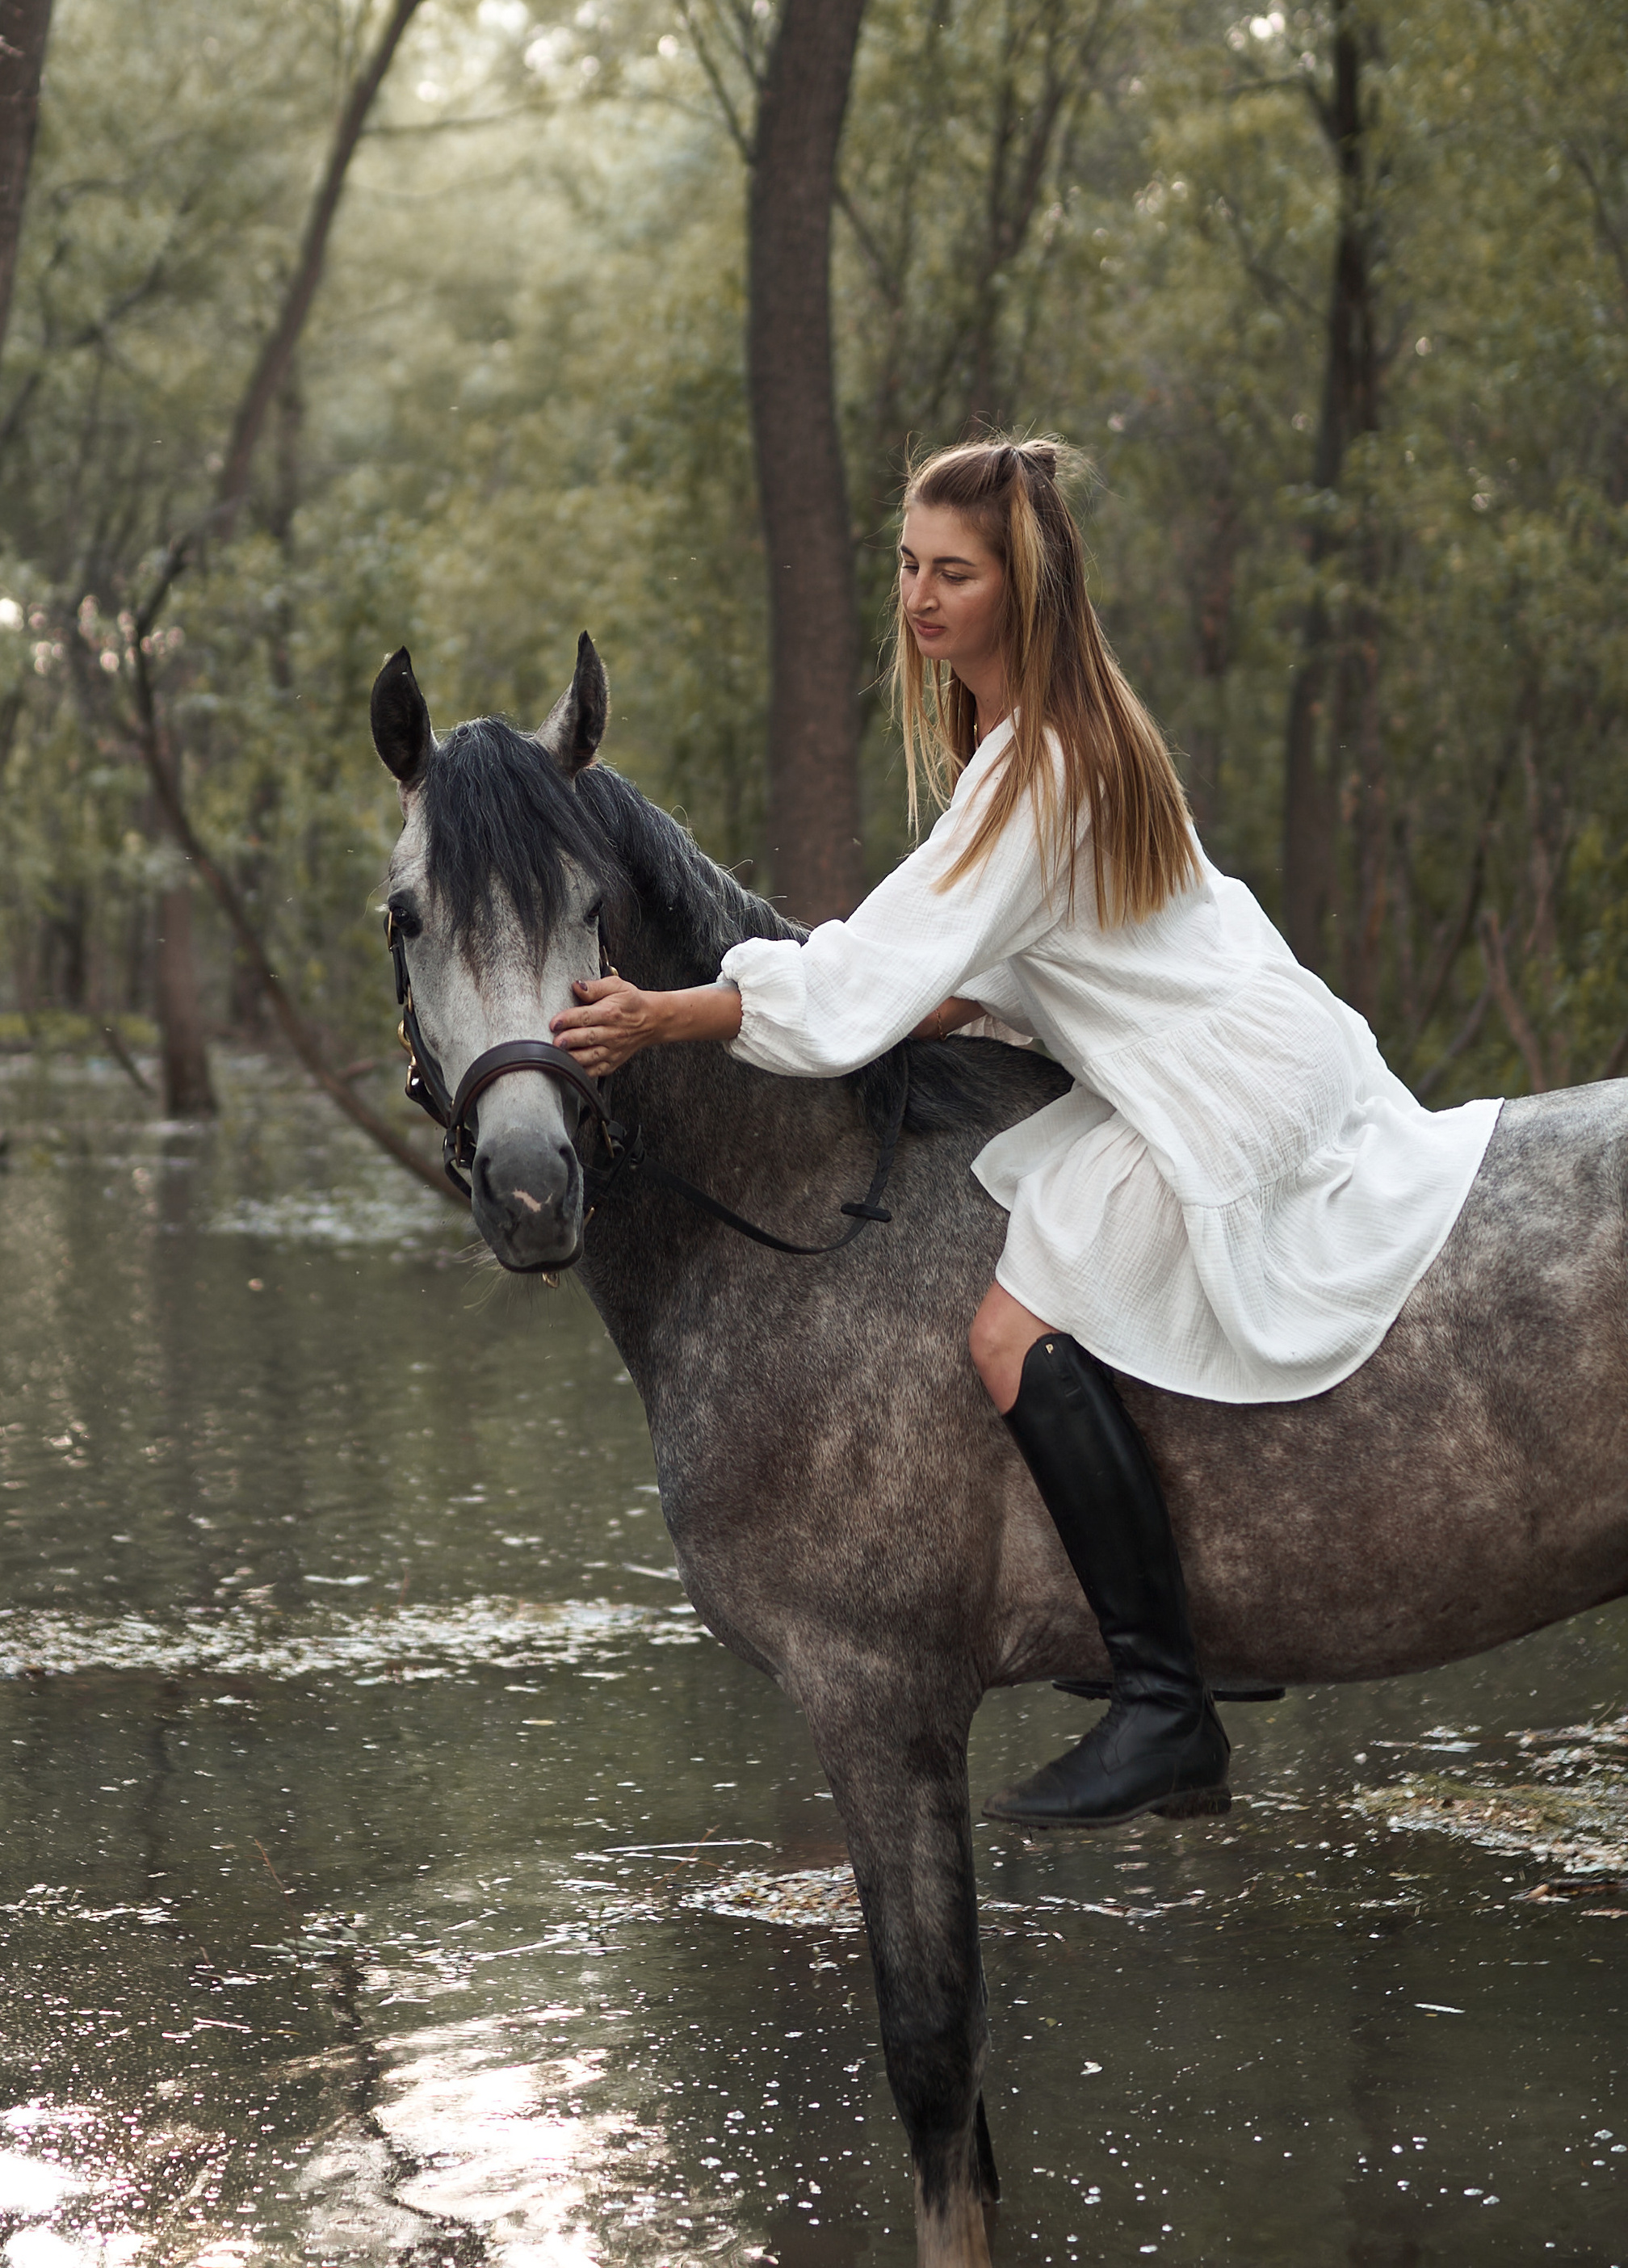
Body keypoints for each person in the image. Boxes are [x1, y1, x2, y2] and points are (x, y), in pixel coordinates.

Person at [548, 438, 1500, 1829]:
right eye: (908, 567)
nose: (919, 600)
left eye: (956, 574)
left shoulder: (1033, 770)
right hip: (1252, 1036)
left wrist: (663, 1016)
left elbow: (862, 983)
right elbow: (997, 966)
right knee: (1057, 1228)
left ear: (1024, 591)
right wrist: (915, 999)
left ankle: (1165, 1701)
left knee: (1007, 1329)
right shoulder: (1053, 737)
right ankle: (1195, 1632)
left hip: (1216, 1074)